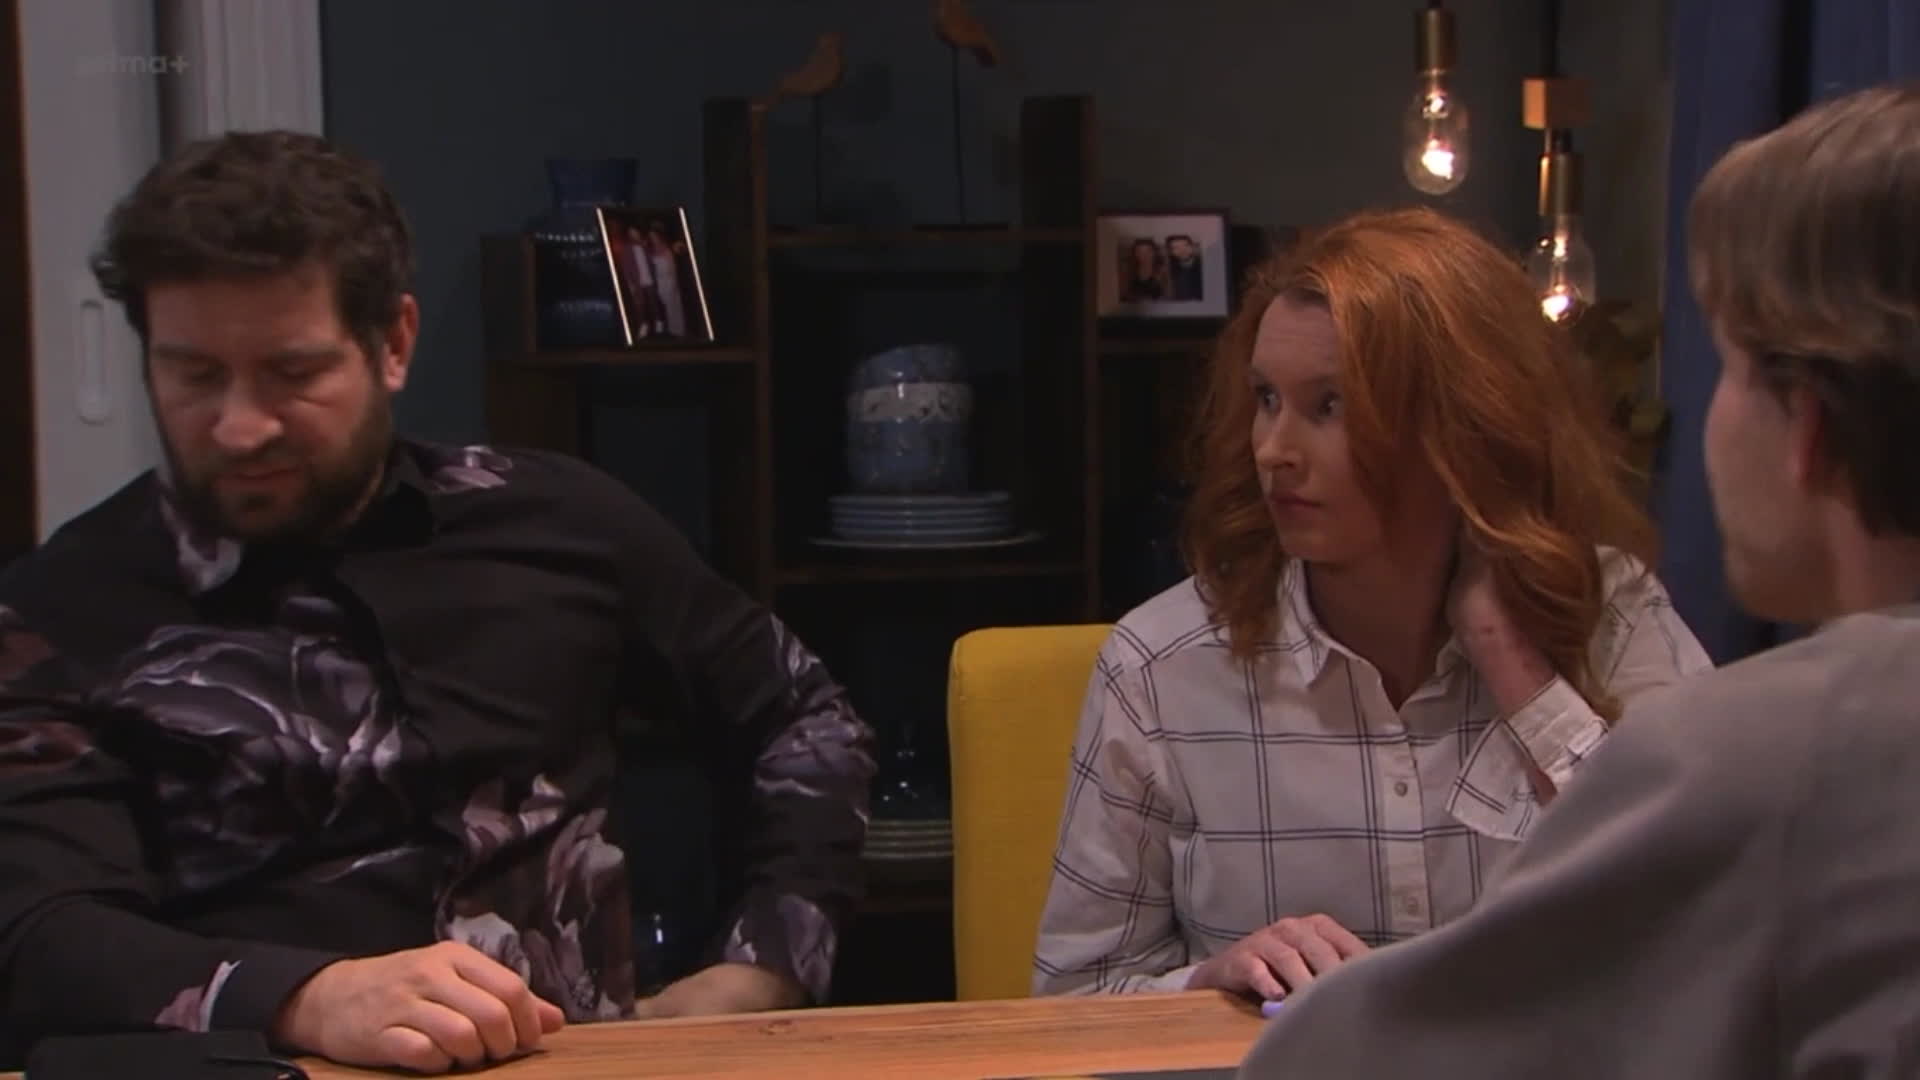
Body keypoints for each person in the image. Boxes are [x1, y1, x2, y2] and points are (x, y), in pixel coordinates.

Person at [0, 131, 874, 1074]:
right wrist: (305, 997)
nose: (241, 427)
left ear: (394, 344)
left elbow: (803, 717)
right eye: (195, 375)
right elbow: (41, 933)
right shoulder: (60, 607)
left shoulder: (561, 520)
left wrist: (764, 967)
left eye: (293, 374)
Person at [1240, 81, 1920, 1079]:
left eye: (1725, 365)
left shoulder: (1784, 754)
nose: (1275, 449)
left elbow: (1364, 1055)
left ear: (1806, 426)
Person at [1034, 206, 1711, 1000]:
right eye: (1266, 399)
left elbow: (1712, 912)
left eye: (1330, 407)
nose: (1273, 450)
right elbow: (1074, 1003)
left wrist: (1512, 661)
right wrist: (1206, 989)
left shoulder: (1612, 615)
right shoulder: (1158, 669)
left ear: (1465, 426)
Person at [1165, 234, 1203, 301]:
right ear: (1171, 252)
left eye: (1185, 245)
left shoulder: (1204, 265)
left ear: (1192, 247)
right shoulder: (1170, 270)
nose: (1182, 250)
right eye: (1176, 248)